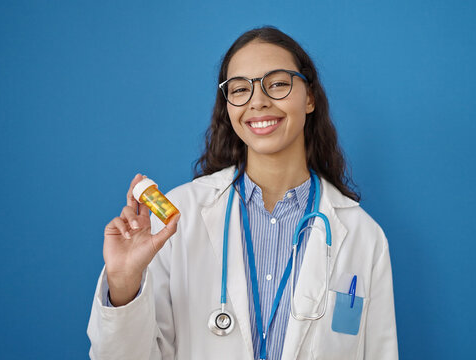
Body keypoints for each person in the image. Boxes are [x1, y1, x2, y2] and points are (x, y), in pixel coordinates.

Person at [87, 26, 398, 360]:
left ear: (309, 97)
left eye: (277, 83)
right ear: (228, 106)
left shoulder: (364, 237)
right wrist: (123, 284)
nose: (258, 101)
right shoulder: (178, 216)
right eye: (239, 89)